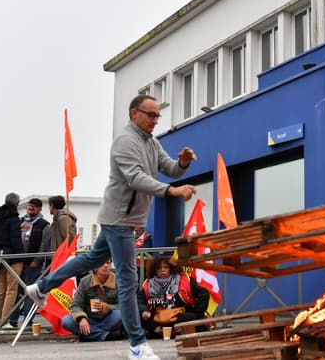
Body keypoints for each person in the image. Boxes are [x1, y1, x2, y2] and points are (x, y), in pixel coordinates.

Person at [26, 95, 197, 360]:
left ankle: (40, 287)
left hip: (125, 219)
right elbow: (136, 177)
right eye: (150, 115)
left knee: (91, 259)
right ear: (133, 114)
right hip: (119, 218)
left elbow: (170, 168)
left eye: (157, 116)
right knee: (129, 281)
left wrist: (183, 163)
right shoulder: (124, 142)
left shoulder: (152, 142)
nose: (155, 120)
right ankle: (138, 345)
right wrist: (171, 190)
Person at [138, 256, 209, 338]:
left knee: (191, 317)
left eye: (166, 267)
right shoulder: (148, 284)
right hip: (157, 319)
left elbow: (203, 294)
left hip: (180, 318)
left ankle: (176, 330)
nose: (162, 270)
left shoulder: (184, 279)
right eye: (158, 268)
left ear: (171, 268)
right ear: (154, 270)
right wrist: (144, 312)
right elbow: (139, 302)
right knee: (137, 317)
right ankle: (157, 330)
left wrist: (197, 313)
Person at [10, 197, 49, 328]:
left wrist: (36, 260)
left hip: (32, 265)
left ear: (39, 209)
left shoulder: (44, 224)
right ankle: (12, 321)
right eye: (29, 206)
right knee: (15, 292)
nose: (31, 208)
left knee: (30, 293)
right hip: (17, 264)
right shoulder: (19, 222)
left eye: (34, 206)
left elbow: (44, 244)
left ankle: (27, 321)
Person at [62, 261, 124, 342]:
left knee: (121, 315)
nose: (105, 265)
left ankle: (88, 334)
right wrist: (81, 318)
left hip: (108, 319)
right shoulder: (85, 281)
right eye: (102, 263)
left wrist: (107, 307)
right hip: (89, 319)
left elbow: (123, 305)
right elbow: (75, 305)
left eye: (108, 263)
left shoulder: (118, 281)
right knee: (66, 321)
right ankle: (104, 336)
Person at [0, 192, 25, 328]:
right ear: (16, 203)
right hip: (13, 258)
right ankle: (5, 321)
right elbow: (15, 240)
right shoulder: (13, 218)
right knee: (11, 290)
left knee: (0, 291)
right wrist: (22, 256)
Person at [38, 195, 78, 260]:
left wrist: (65, 255)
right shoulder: (59, 218)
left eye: (49, 205)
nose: (49, 208)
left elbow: (70, 237)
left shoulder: (63, 219)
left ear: (52, 205)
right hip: (59, 256)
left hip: (63, 257)